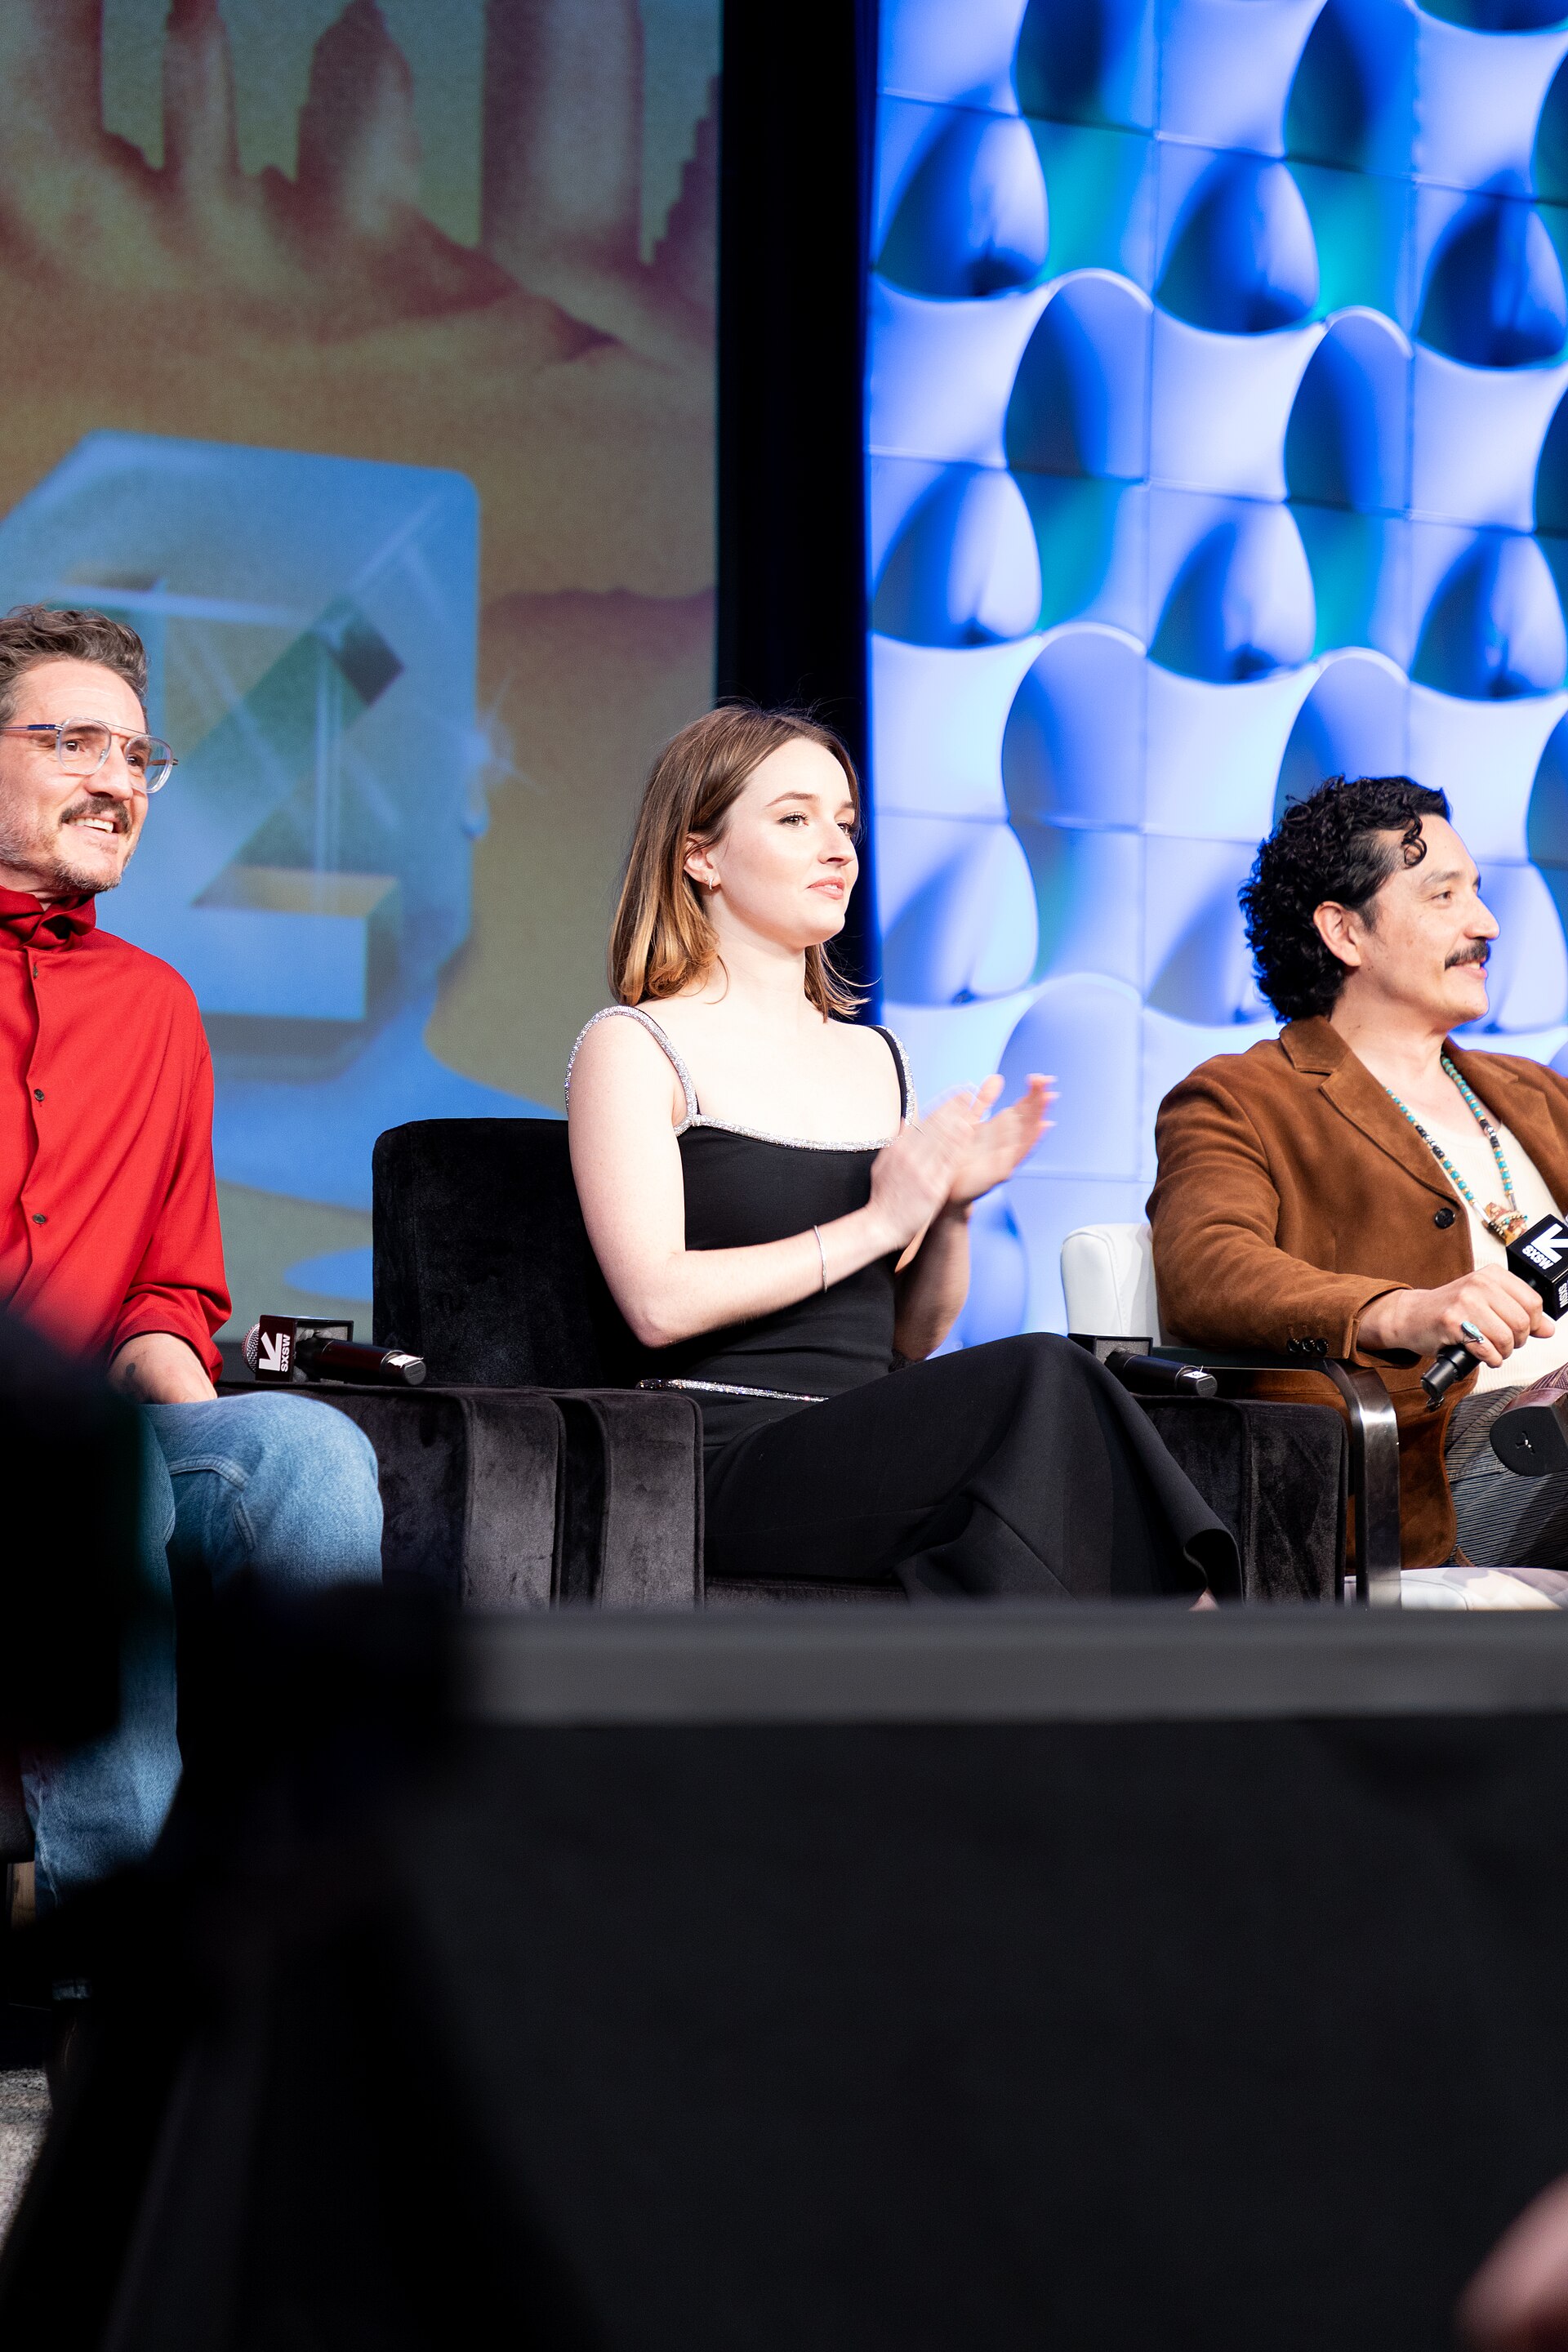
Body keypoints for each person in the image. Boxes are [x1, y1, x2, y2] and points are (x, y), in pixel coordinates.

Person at [565, 704, 1237, 1602]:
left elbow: (910, 1340)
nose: (838, 849)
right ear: (701, 856)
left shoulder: (877, 1058)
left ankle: (1100, 1676)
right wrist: (878, 1219)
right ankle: (1191, 1631)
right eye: (796, 819)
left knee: (1033, 1475)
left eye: (845, 823)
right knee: (1044, 1370)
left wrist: (951, 1208)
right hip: (712, 1453)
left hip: (862, 1436)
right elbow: (656, 1304)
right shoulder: (636, 1044)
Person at [0, 604, 382, 1906]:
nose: (116, 781)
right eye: (72, 743)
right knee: (112, 1487)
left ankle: (321, 1901)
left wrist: (203, 1433)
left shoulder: (156, 1008)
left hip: (87, 1430)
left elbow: (171, 1293)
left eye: (137, 757)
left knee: (312, 1452)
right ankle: (119, 1951)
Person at [1150, 773, 1568, 1581]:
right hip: (1426, 1463)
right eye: (1444, 897)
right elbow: (1206, 1269)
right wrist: (1397, 1310)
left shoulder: (1537, 1094)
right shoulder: (1243, 1098)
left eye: (1477, 893)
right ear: (1345, 932)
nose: (1485, 924)